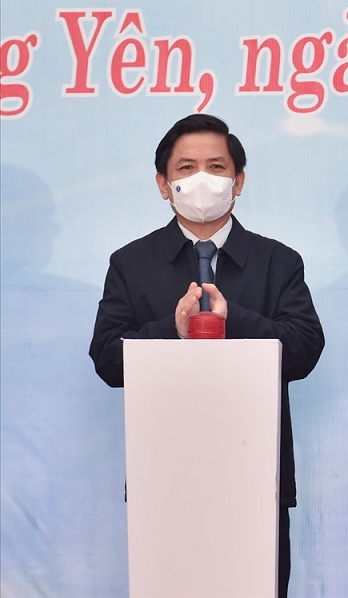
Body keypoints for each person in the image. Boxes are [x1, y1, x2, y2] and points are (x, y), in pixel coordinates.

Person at [89, 113, 325, 598]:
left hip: (256, 476)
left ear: (239, 181)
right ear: (163, 184)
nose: (202, 179)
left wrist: (232, 319)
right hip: (164, 475)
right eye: (186, 167)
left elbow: (304, 349)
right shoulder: (130, 263)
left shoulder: (279, 262)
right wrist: (171, 331)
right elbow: (108, 359)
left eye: (216, 167)